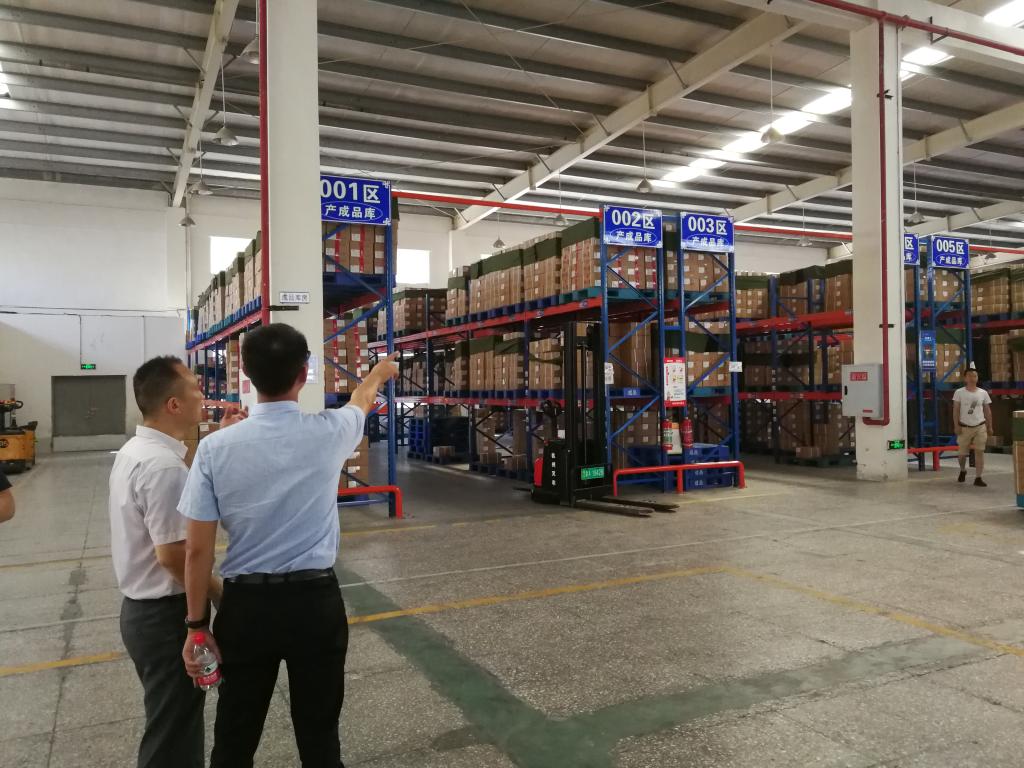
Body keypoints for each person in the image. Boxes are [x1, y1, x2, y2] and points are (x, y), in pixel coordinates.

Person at [179, 323, 398, 768]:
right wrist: (378, 373)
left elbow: (196, 551)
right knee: (320, 737)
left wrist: (196, 626)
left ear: (246, 374)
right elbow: (361, 401)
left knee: (234, 737)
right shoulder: (330, 431)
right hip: (314, 605)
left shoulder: (214, 449)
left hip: (245, 610)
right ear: (304, 373)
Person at [108, 356, 246, 768]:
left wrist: (219, 438)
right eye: (196, 390)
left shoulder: (138, 451)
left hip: (142, 612)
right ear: (173, 404)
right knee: (173, 734)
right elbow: (174, 556)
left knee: (173, 722)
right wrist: (219, 595)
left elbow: (179, 483)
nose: (204, 397)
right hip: (165, 617)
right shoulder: (162, 466)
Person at [953, 367, 993, 487]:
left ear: (977, 378)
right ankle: (963, 470)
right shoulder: (959, 393)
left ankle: (978, 477)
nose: (972, 378)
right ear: (965, 378)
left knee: (979, 452)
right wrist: (956, 425)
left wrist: (990, 426)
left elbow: (987, 411)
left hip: (980, 426)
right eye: (970, 376)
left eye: (975, 376)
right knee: (961, 455)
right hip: (964, 427)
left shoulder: (983, 393)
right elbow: (956, 410)